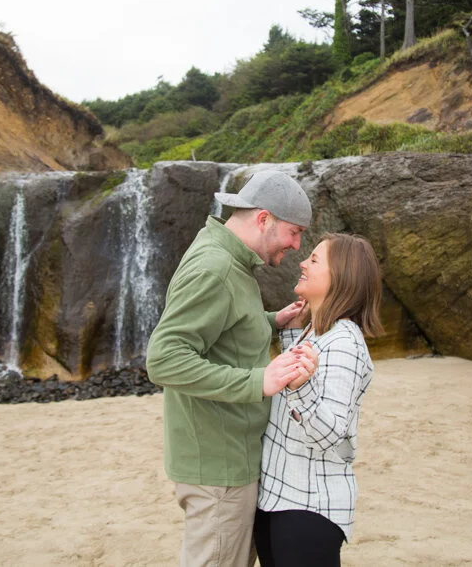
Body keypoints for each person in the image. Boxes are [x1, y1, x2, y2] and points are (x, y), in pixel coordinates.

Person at [145, 169, 317, 567]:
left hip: (228, 457)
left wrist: (270, 320)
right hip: (218, 468)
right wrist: (259, 380)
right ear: (263, 219)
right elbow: (164, 358)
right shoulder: (216, 268)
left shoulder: (229, 260)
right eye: (294, 232)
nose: (297, 245)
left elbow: (220, 328)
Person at [254, 233, 385, 567]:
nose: (302, 262)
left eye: (314, 259)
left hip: (307, 509)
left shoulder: (344, 343)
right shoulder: (317, 331)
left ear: (341, 276)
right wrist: (290, 335)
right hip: (279, 499)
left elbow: (330, 435)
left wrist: (301, 388)